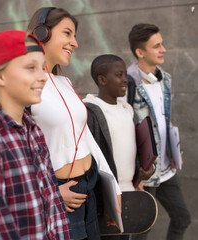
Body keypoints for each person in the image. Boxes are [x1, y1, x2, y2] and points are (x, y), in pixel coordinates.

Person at [27, 7, 121, 240]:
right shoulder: (24, 85)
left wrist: (113, 189)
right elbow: (13, 152)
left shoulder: (64, 82)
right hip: (61, 197)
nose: (75, 43)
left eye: (75, 36)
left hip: (89, 190)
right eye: (67, 33)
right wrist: (50, 193)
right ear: (41, 33)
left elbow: (86, 138)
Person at [0, 30, 72, 239]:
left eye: (41, 67)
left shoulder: (33, 130)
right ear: (0, 75)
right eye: (31, 68)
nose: (42, 77)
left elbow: (54, 206)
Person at [126, 23, 191, 240]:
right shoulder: (126, 83)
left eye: (162, 44)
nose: (163, 49)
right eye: (157, 46)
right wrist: (136, 173)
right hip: (146, 171)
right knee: (142, 231)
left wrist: (174, 149)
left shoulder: (164, 78)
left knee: (182, 218)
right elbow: (125, 132)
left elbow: (165, 119)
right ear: (140, 52)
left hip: (167, 168)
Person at [83, 54, 153, 240]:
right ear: (102, 79)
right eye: (119, 75)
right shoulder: (90, 111)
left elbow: (134, 151)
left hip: (129, 194)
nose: (125, 80)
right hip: (107, 200)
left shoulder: (127, 109)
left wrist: (143, 170)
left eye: (125, 75)